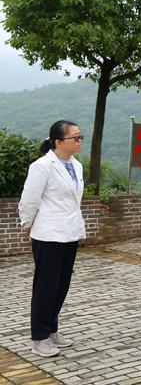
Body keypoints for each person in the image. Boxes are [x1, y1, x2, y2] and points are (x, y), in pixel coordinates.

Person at [18, 120, 85, 357]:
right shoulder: (42, 166)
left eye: (80, 137)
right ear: (58, 142)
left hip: (70, 232)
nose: (79, 141)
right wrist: (26, 223)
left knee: (61, 284)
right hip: (48, 234)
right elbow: (30, 198)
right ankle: (39, 337)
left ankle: (52, 328)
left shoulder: (76, 165)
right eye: (75, 138)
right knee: (46, 287)